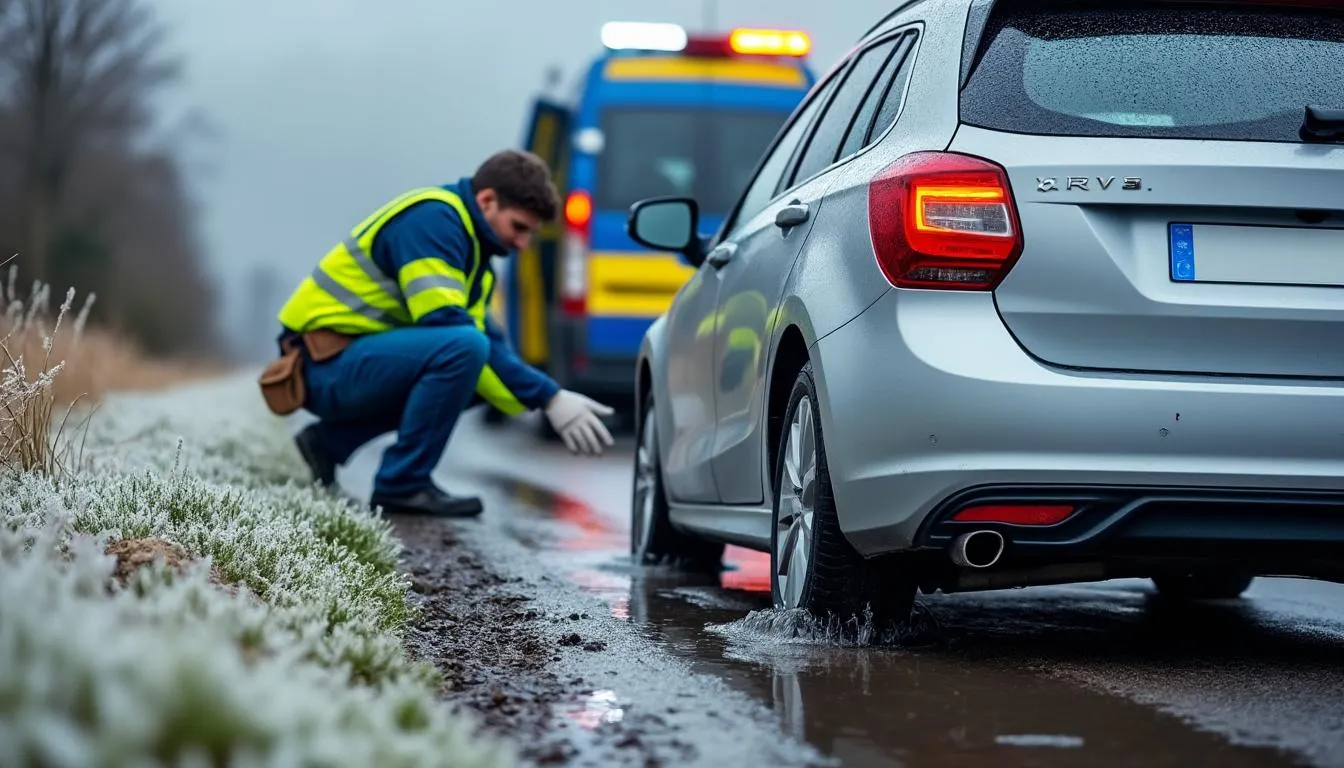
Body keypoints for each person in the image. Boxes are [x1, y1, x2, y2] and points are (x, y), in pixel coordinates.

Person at [262, 149, 615, 518]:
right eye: (519, 227)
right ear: (487, 201)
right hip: (318, 367)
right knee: (463, 350)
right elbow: (447, 325)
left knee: (477, 369)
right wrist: (548, 397)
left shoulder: (474, 258)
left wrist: (550, 396)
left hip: (347, 363)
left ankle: (328, 443)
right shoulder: (435, 221)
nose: (523, 244)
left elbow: (488, 343)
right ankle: (402, 484)